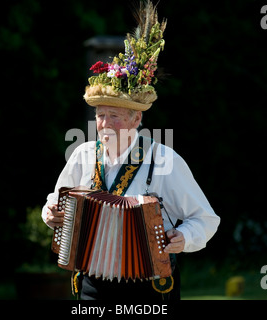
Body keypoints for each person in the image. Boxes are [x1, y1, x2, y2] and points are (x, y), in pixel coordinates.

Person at [42, 1, 220, 300]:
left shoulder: (164, 160)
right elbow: (55, 200)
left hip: (149, 286)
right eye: (100, 115)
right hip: (92, 281)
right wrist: (51, 212)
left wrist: (183, 238)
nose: (105, 123)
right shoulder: (83, 155)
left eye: (115, 115)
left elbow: (205, 219)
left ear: (137, 119)